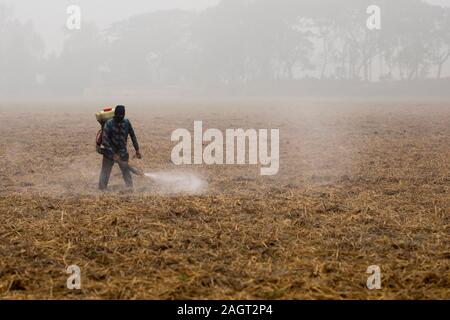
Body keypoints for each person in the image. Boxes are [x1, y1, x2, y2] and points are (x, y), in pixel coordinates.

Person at [99, 105, 142, 190]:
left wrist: (137, 150)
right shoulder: (109, 124)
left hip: (122, 152)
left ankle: (130, 188)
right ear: (115, 115)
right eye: (118, 116)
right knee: (105, 171)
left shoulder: (126, 122)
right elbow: (105, 141)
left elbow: (133, 136)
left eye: (122, 116)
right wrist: (113, 154)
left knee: (126, 170)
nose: (120, 118)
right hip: (109, 153)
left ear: (124, 115)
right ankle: (102, 189)